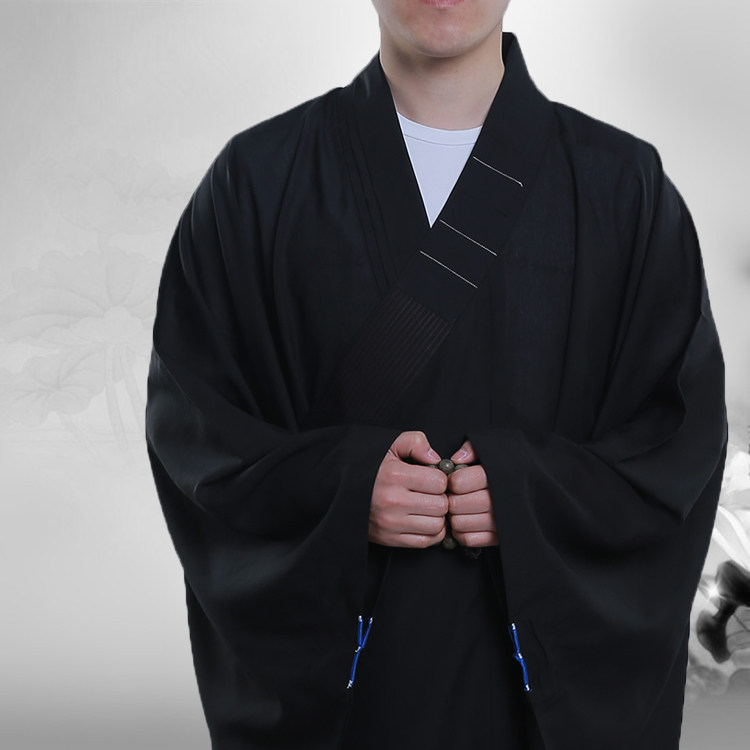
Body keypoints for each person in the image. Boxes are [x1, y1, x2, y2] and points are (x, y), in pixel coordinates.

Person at [145, 1, 729, 748]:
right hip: (361, 698)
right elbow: (197, 432)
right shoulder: (255, 181)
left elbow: (678, 446)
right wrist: (345, 489)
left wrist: (527, 495)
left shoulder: (624, 187)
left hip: (530, 710)